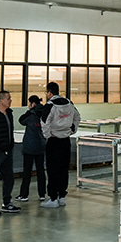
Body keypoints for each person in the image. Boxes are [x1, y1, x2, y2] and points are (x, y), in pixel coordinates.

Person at [39, 81, 81, 209]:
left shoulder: (50, 105)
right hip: (66, 140)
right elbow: (77, 116)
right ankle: (62, 196)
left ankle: (53, 198)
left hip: (54, 140)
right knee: (63, 169)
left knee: (53, 170)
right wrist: (72, 129)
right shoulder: (69, 103)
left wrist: (48, 135)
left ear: (49, 93)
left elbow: (44, 121)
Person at [16, 95, 46, 202]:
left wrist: (30, 110)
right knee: (41, 171)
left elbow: (21, 120)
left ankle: (24, 195)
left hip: (29, 147)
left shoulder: (31, 114)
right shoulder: (45, 113)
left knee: (27, 172)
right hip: (41, 146)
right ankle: (42, 194)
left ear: (32, 104)